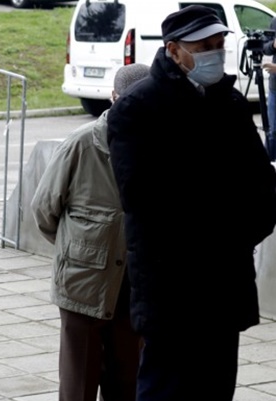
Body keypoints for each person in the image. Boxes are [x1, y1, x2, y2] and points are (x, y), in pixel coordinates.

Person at [107, 6, 276, 400]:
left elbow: (262, 186)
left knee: (217, 388)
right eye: (204, 46)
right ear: (174, 51)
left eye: (220, 44)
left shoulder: (229, 104)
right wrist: (220, 219)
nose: (216, 53)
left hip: (225, 281)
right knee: (166, 389)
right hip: (171, 288)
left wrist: (240, 234)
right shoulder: (136, 109)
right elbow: (143, 199)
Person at [31, 63, 150, 401]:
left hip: (134, 286)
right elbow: (44, 211)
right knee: (78, 387)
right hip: (83, 285)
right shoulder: (82, 145)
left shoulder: (158, 146)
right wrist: (83, 247)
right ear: (113, 98)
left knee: (127, 383)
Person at [261, 16, 276, 158]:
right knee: (272, 131)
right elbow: (264, 48)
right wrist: (273, 45)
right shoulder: (275, 21)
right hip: (275, 88)